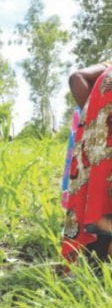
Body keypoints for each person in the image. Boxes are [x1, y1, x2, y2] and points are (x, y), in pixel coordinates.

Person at [61, 61, 112, 263]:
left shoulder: (107, 67)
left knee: (100, 199)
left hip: (100, 140)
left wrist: (94, 121)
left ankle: (94, 261)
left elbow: (77, 77)